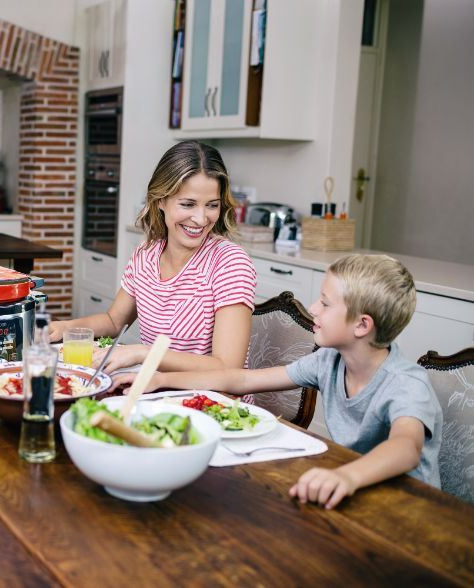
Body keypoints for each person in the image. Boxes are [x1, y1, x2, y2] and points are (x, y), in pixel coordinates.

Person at [112, 254, 442, 509]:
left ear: (362, 325)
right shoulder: (328, 361)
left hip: (411, 508)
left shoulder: (405, 383)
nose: (313, 308)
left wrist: (346, 476)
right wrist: (161, 378)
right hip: (355, 492)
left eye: (325, 303)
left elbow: (406, 448)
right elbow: (241, 378)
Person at [51, 140, 256, 375]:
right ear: (161, 201)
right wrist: (64, 327)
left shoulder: (230, 263)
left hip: (208, 396)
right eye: (188, 204)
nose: (201, 219)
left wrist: (144, 353)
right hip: (152, 388)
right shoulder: (146, 254)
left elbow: (227, 368)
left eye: (212, 205)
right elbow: (113, 321)